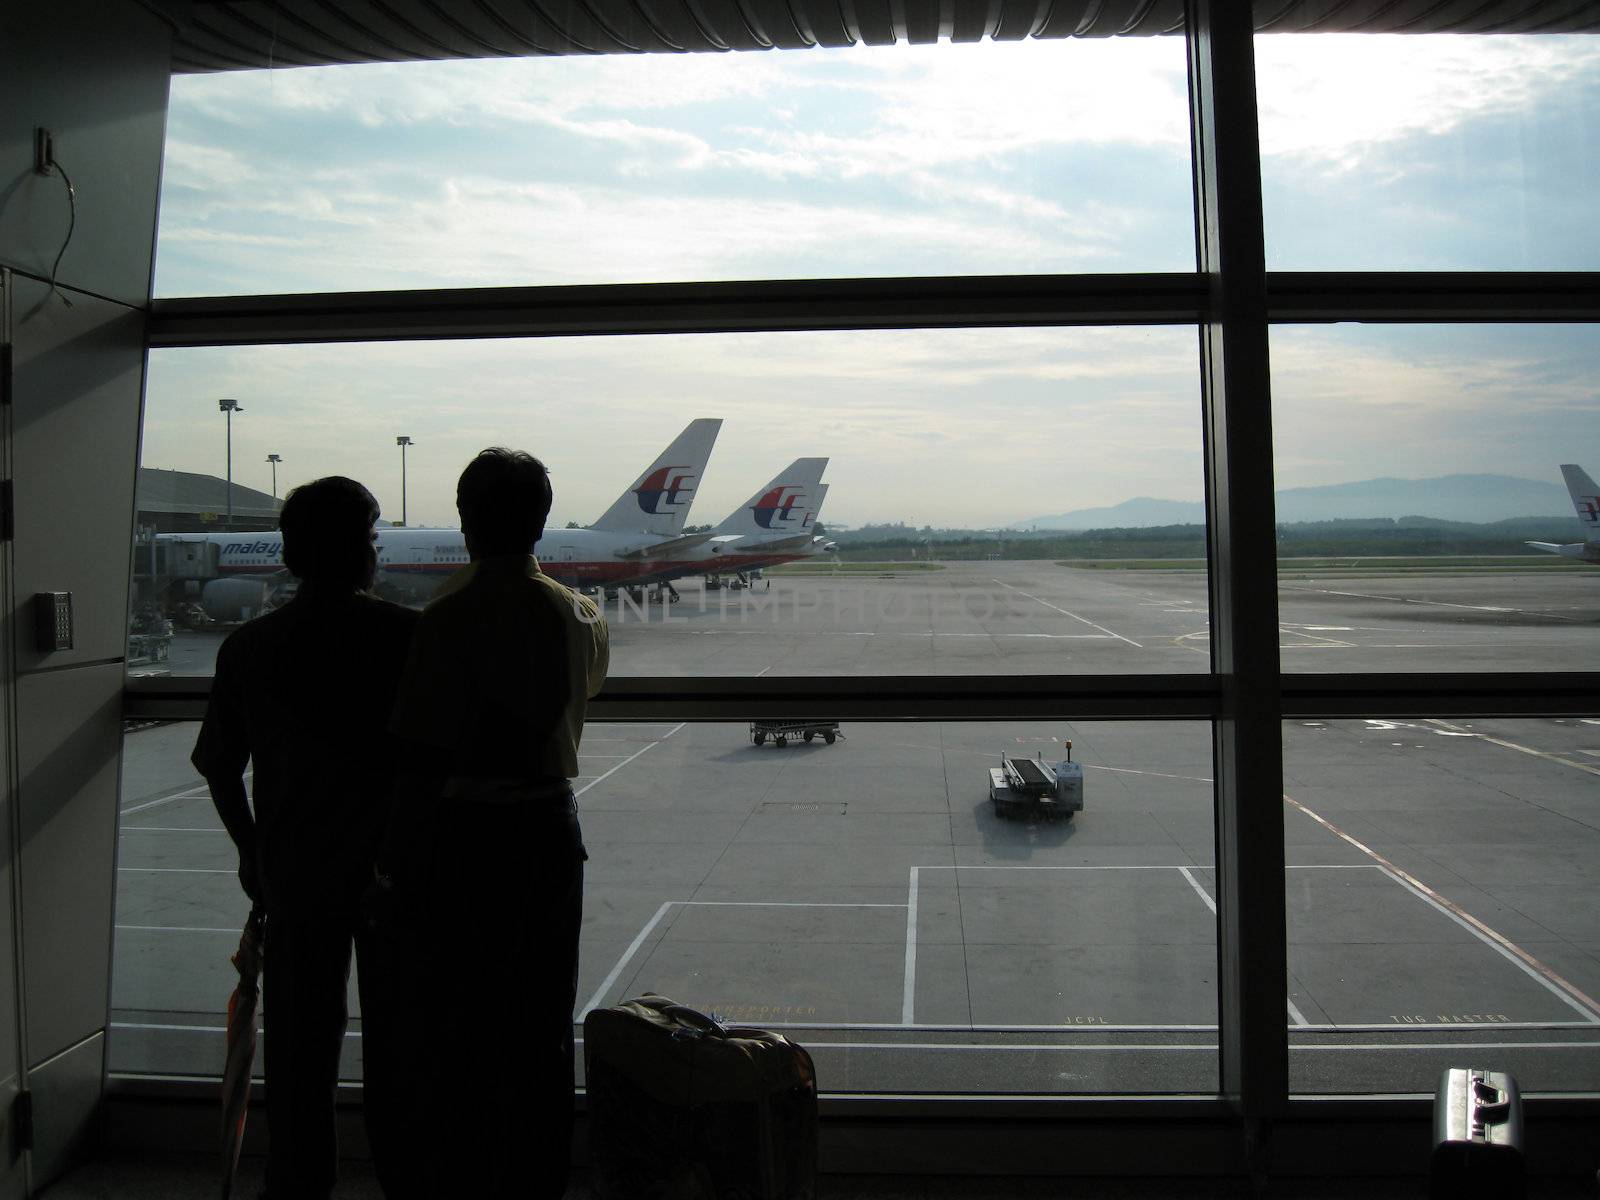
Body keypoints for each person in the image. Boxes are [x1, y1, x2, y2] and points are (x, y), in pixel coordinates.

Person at [379, 447, 609, 1199]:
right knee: (543, 1018)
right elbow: (584, 692)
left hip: (466, 837)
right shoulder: (583, 613)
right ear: (542, 522)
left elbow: (419, 750)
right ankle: (539, 1175)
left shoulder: (448, 617)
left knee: (459, 1022)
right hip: (548, 832)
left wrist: (396, 865)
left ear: (467, 520)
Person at [192, 477, 420, 1200]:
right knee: (401, 1063)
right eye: (373, 538)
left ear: (289, 555)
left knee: (297, 1066)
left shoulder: (253, 646)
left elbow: (218, 764)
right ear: (361, 552)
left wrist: (251, 852)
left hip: (294, 876)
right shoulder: (403, 638)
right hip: (391, 879)